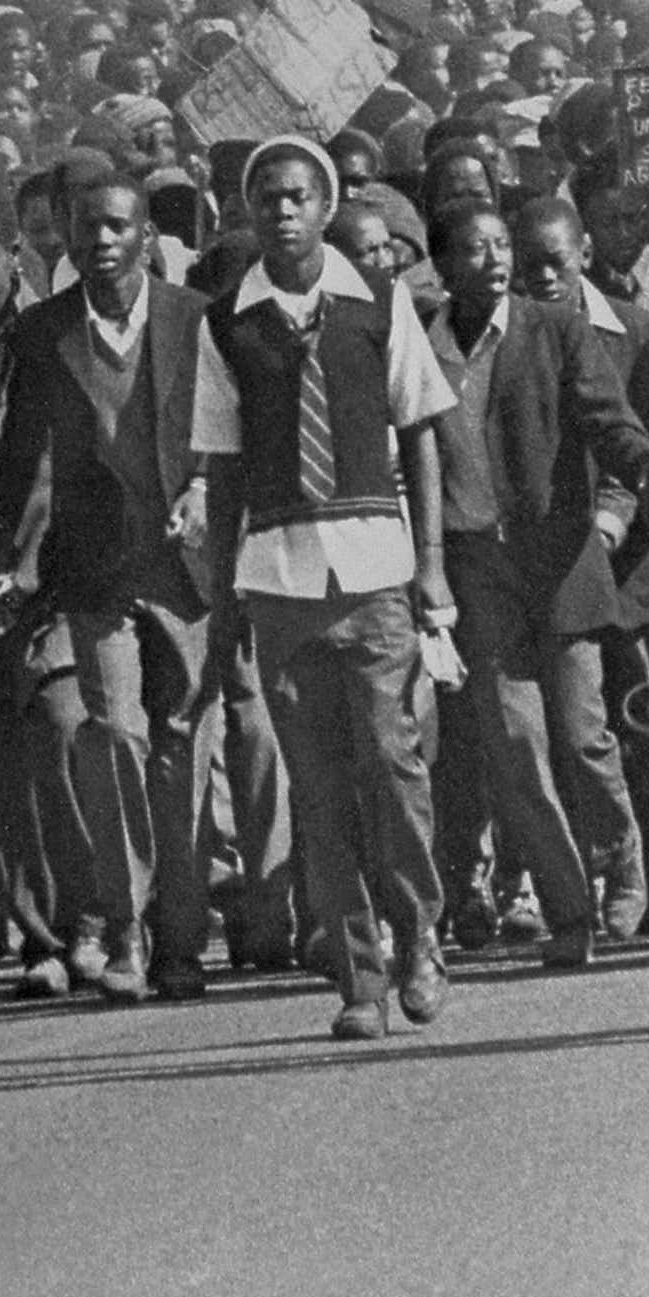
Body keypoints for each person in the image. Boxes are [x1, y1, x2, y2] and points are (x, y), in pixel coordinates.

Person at [194, 137, 458, 1042]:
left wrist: (429, 566)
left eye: (300, 195)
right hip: (279, 576)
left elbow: (421, 433)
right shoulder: (227, 322)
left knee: (392, 763)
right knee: (316, 789)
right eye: (266, 197)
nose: (283, 211)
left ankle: (423, 936)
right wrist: (229, 596)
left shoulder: (376, 305)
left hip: (375, 569)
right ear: (248, 209)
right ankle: (360, 976)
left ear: (325, 203)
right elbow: (223, 468)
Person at [0, 168, 206, 1000]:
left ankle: (183, 937)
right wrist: (10, 555)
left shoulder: (194, 321)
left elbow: (224, 431)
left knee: (184, 741)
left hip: (185, 565)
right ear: (67, 240)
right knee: (116, 739)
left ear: (147, 235)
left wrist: (206, 491)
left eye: (119, 226)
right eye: (88, 229)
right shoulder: (42, 335)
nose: (103, 241)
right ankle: (129, 930)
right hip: (93, 567)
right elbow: (19, 459)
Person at [423, 202, 649, 967]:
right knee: (516, 746)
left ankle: (621, 857)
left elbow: (605, 419)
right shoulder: (422, 341)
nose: (493, 258)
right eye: (473, 247)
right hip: (475, 565)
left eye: (500, 244)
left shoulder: (554, 331)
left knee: (583, 736)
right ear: (443, 264)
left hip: (554, 558)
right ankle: (568, 911)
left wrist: (644, 468)